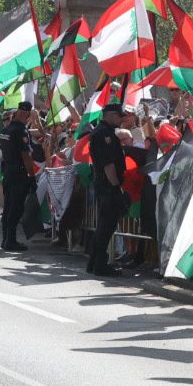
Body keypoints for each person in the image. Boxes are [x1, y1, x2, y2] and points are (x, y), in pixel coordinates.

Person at [85, 107, 131, 276]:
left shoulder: (103, 132)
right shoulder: (105, 134)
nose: (121, 120)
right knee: (106, 226)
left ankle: (94, 262)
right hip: (107, 185)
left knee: (103, 226)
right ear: (110, 116)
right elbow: (108, 164)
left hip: (103, 184)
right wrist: (115, 187)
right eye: (119, 116)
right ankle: (100, 265)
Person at [0, 103, 36, 252]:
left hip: (8, 171)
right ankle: (10, 240)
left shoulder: (6, 129)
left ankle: (5, 238)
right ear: (26, 114)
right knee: (16, 208)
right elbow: (26, 156)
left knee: (8, 206)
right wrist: (31, 176)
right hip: (19, 173)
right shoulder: (21, 132)